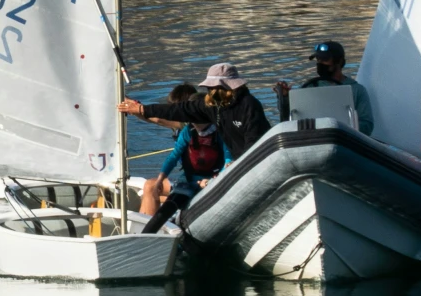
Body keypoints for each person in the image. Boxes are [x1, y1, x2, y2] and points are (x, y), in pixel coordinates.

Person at [119, 61, 272, 168]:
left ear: (229, 88)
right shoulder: (211, 105)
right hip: (236, 162)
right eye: (209, 89)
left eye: (214, 88)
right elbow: (175, 110)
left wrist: (240, 164)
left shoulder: (249, 105)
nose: (211, 92)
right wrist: (141, 109)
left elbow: (254, 140)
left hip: (256, 160)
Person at [136, 84, 226, 234]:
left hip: (207, 180)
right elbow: (173, 156)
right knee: (152, 188)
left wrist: (135, 109)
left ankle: (146, 233)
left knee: (150, 188)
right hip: (190, 180)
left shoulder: (187, 123)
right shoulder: (188, 129)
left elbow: (157, 119)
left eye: (175, 109)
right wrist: (133, 109)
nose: (172, 113)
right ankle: (147, 231)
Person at [274, 39, 373, 134]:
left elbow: (367, 125)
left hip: (345, 139)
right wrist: (284, 97)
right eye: (318, 60)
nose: (320, 63)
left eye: (325, 60)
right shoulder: (309, 88)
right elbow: (290, 117)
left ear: (339, 61)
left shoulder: (356, 90)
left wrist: (343, 129)